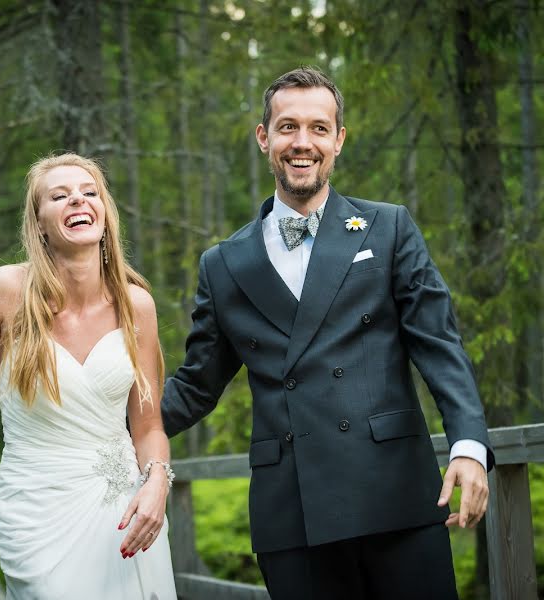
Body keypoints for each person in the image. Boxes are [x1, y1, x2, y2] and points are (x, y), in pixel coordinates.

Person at [161, 67, 494, 599]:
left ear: (338, 140)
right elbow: (197, 385)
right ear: (263, 137)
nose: (302, 142)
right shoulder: (222, 264)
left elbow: (438, 344)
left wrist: (469, 446)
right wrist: (106, 427)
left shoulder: (388, 227)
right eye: (288, 126)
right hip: (292, 515)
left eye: (319, 128)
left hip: (395, 497)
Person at [0, 153, 177, 599]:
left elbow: (148, 426)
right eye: (59, 196)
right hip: (36, 510)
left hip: (123, 511)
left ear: (104, 211)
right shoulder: (7, 291)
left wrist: (157, 480)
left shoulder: (136, 305)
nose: (77, 201)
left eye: (89, 193)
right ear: (39, 222)